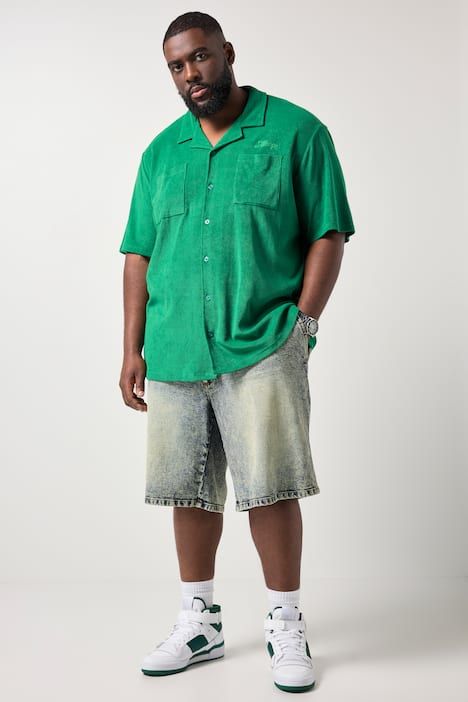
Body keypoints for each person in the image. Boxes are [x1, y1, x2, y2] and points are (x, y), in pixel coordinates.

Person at [118, 10, 355, 693]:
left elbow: (328, 232)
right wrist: (131, 348)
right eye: (176, 66)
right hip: (173, 348)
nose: (190, 74)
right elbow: (138, 254)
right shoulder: (161, 153)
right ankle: (200, 623)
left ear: (227, 51)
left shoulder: (297, 132)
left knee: (270, 486)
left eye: (199, 57)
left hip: (262, 343)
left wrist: (302, 326)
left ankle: (286, 623)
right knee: (187, 488)